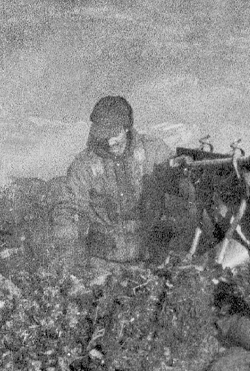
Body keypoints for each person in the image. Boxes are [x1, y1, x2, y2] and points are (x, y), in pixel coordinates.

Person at [50, 95, 174, 265]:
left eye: (114, 134)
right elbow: (69, 209)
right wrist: (66, 252)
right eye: (103, 135)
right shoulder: (84, 165)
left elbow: (179, 190)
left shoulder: (154, 151)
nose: (109, 142)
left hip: (152, 259)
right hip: (102, 263)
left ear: (127, 128)